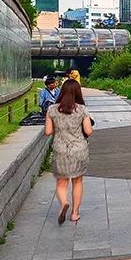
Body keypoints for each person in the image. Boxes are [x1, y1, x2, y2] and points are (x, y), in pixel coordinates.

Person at [44, 79, 93, 225]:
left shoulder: (52, 109)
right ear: (78, 92)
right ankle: (75, 213)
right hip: (79, 150)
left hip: (60, 150)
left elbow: (48, 132)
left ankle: (64, 202)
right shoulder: (82, 109)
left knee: (61, 183)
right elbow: (88, 131)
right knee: (77, 182)